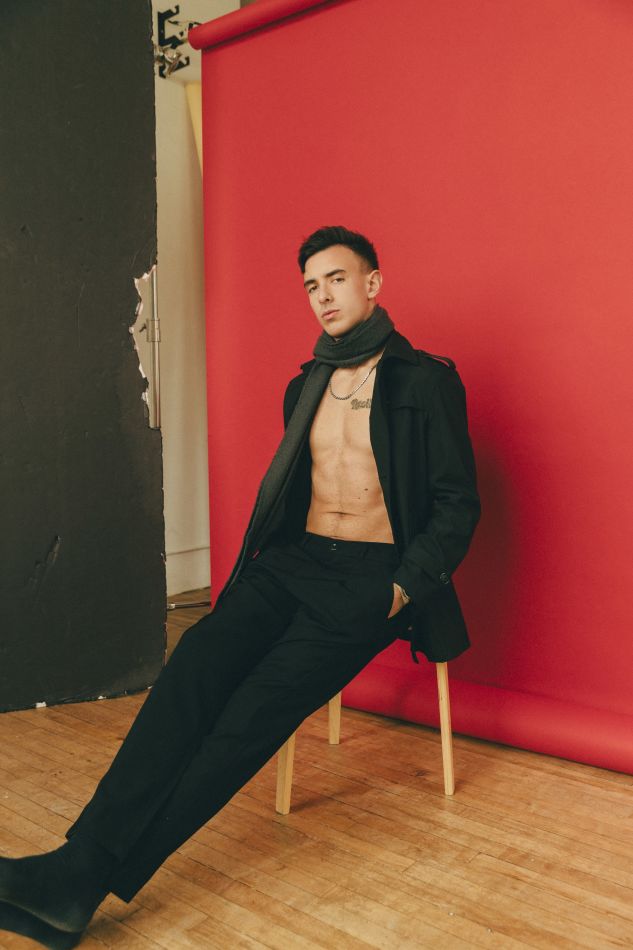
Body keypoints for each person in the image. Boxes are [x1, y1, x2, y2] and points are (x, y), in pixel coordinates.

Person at [0, 225, 480, 948]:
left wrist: (397, 591)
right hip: (291, 565)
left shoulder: (425, 382)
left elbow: (456, 504)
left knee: (248, 715)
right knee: (193, 664)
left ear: (373, 283)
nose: (323, 296)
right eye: (311, 286)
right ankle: (78, 859)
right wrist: (264, 567)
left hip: (368, 578)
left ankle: (80, 883)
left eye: (337, 279)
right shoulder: (304, 385)